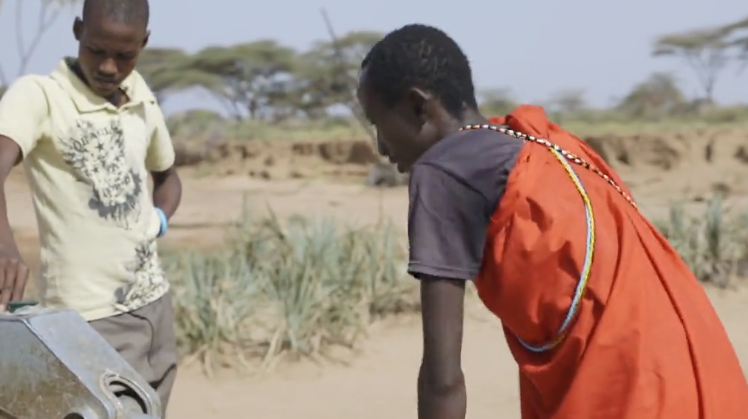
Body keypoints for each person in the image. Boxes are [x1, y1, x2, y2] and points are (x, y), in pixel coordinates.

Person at [357, 23, 748, 419]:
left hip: (631, 392)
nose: (381, 147)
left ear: (418, 105)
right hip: (707, 374)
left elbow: (443, 381)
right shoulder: (546, 144)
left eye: (378, 123)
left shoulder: (444, 172)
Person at [0, 0, 180, 415]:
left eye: (125, 55)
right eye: (97, 50)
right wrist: (6, 249)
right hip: (89, 322)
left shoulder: (141, 97)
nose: (109, 68)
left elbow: (168, 177)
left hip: (154, 309)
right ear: (78, 29)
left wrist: (158, 220)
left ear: (144, 43)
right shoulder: (41, 96)